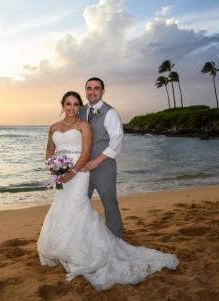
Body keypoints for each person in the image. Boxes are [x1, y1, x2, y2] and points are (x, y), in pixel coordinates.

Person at [37, 91, 178, 290]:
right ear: (62, 105)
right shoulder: (53, 127)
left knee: (79, 208)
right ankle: (64, 248)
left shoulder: (83, 126)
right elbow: (50, 148)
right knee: (61, 207)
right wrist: (52, 166)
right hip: (60, 175)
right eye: (68, 104)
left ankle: (85, 250)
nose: (72, 107)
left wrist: (73, 172)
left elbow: (86, 151)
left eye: (76, 104)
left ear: (79, 107)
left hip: (78, 175)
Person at [79, 77, 124, 238]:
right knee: (80, 202)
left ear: (102, 91)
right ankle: (83, 236)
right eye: (89, 88)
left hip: (104, 167)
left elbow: (117, 142)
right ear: (85, 91)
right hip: (83, 168)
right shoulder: (81, 111)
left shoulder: (110, 112)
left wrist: (96, 162)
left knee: (109, 202)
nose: (92, 92)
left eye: (96, 88)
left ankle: (117, 237)